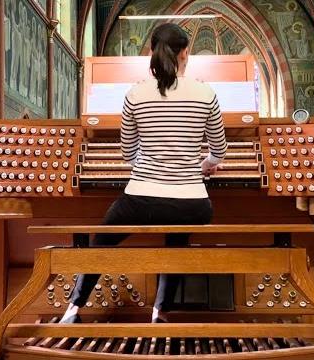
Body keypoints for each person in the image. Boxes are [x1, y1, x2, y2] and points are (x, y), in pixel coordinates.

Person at [60, 23, 227, 324]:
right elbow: (218, 151)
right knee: (178, 234)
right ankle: (159, 310)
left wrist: (153, 167)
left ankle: (74, 307)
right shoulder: (206, 93)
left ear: (151, 52)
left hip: (141, 199)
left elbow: (128, 153)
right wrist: (201, 165)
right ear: (185, 54)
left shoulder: (135, 94)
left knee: (103, 239)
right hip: (193, 203)